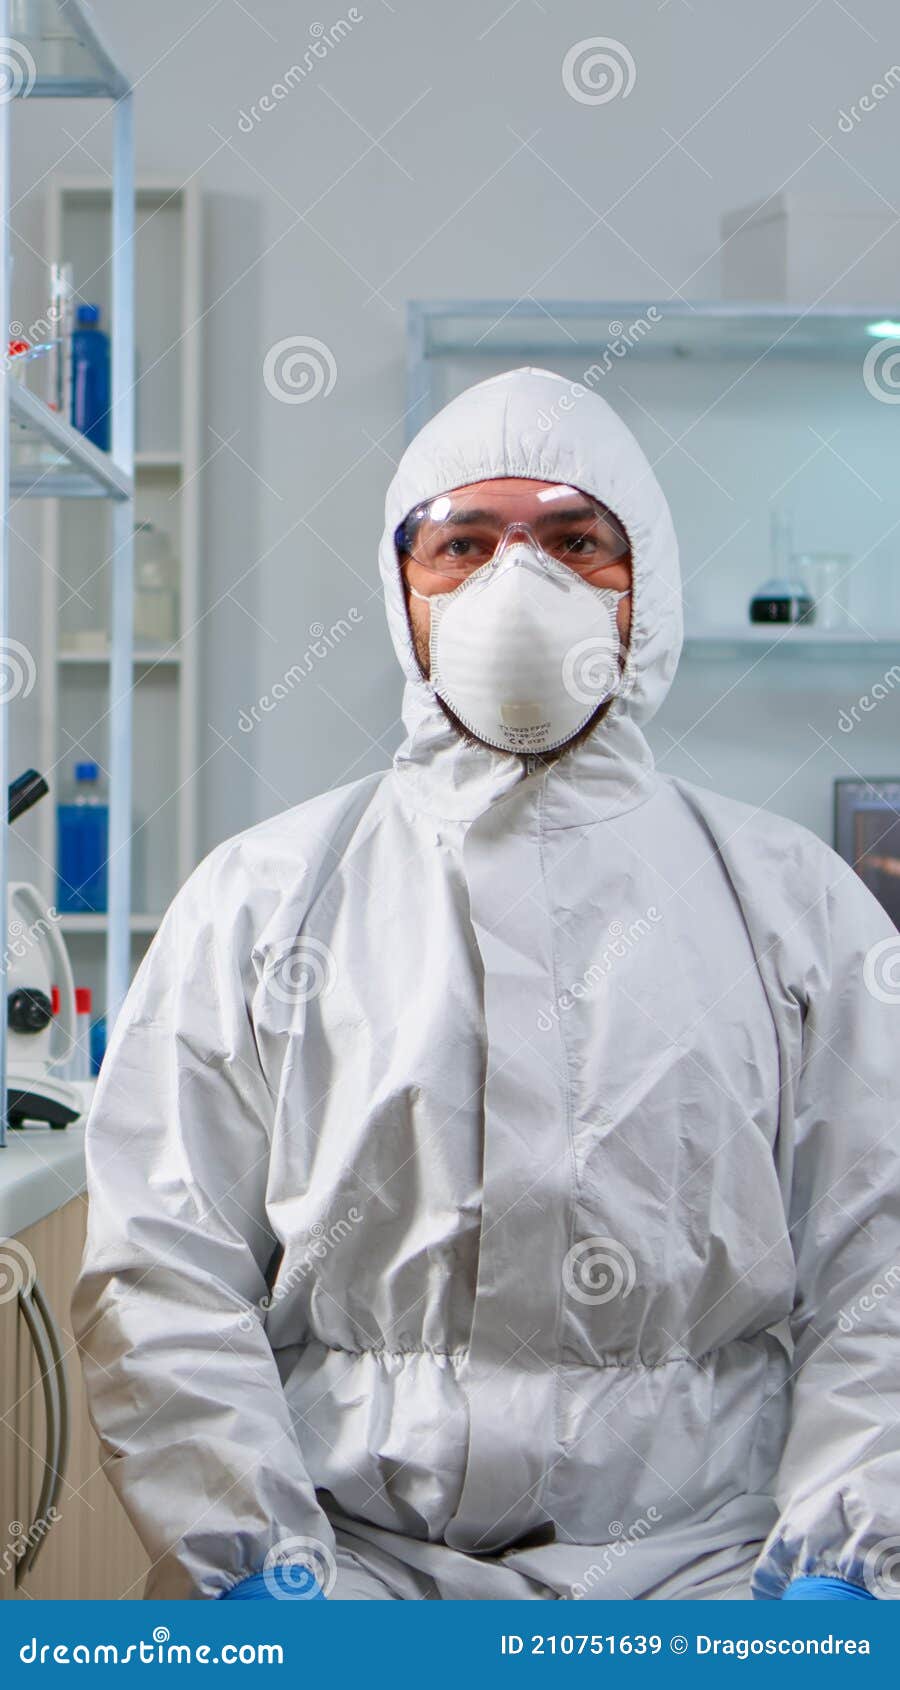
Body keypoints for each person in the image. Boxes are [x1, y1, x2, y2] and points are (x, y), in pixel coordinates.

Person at [72, 367, 900, 1602]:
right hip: (347, 1563)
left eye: (576, 542)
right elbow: (165, 1265)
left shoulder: (788, 901)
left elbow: (876, 1257)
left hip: (715, 1569)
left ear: (646, 590)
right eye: (465, 544)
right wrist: (254, 1563)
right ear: (403, 594)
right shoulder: (263, 897)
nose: (522, 586)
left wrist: (843, 1557)